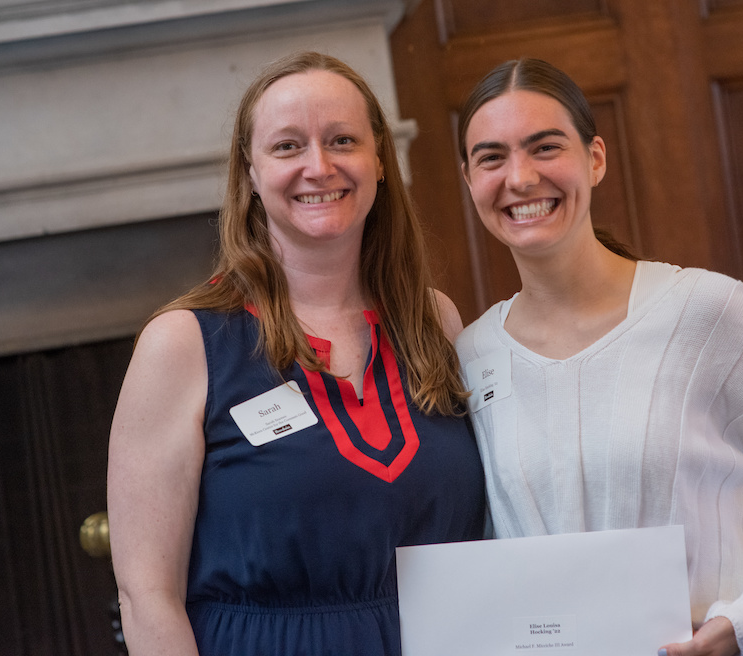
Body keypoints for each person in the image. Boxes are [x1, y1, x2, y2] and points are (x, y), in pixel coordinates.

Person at [454, 57, 743, 656]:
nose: (520, 177)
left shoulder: (707, 313)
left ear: (595, 158)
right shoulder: (471, 357)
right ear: (468, 179)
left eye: (545, 147)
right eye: (491, 157)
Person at [107, 51, 486, 656]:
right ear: (250, 171)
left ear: (381, 160)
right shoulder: (184, 343)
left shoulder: (433, 320)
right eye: (287, 146)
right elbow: (147, 594)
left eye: (342, 140)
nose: (319, 166)